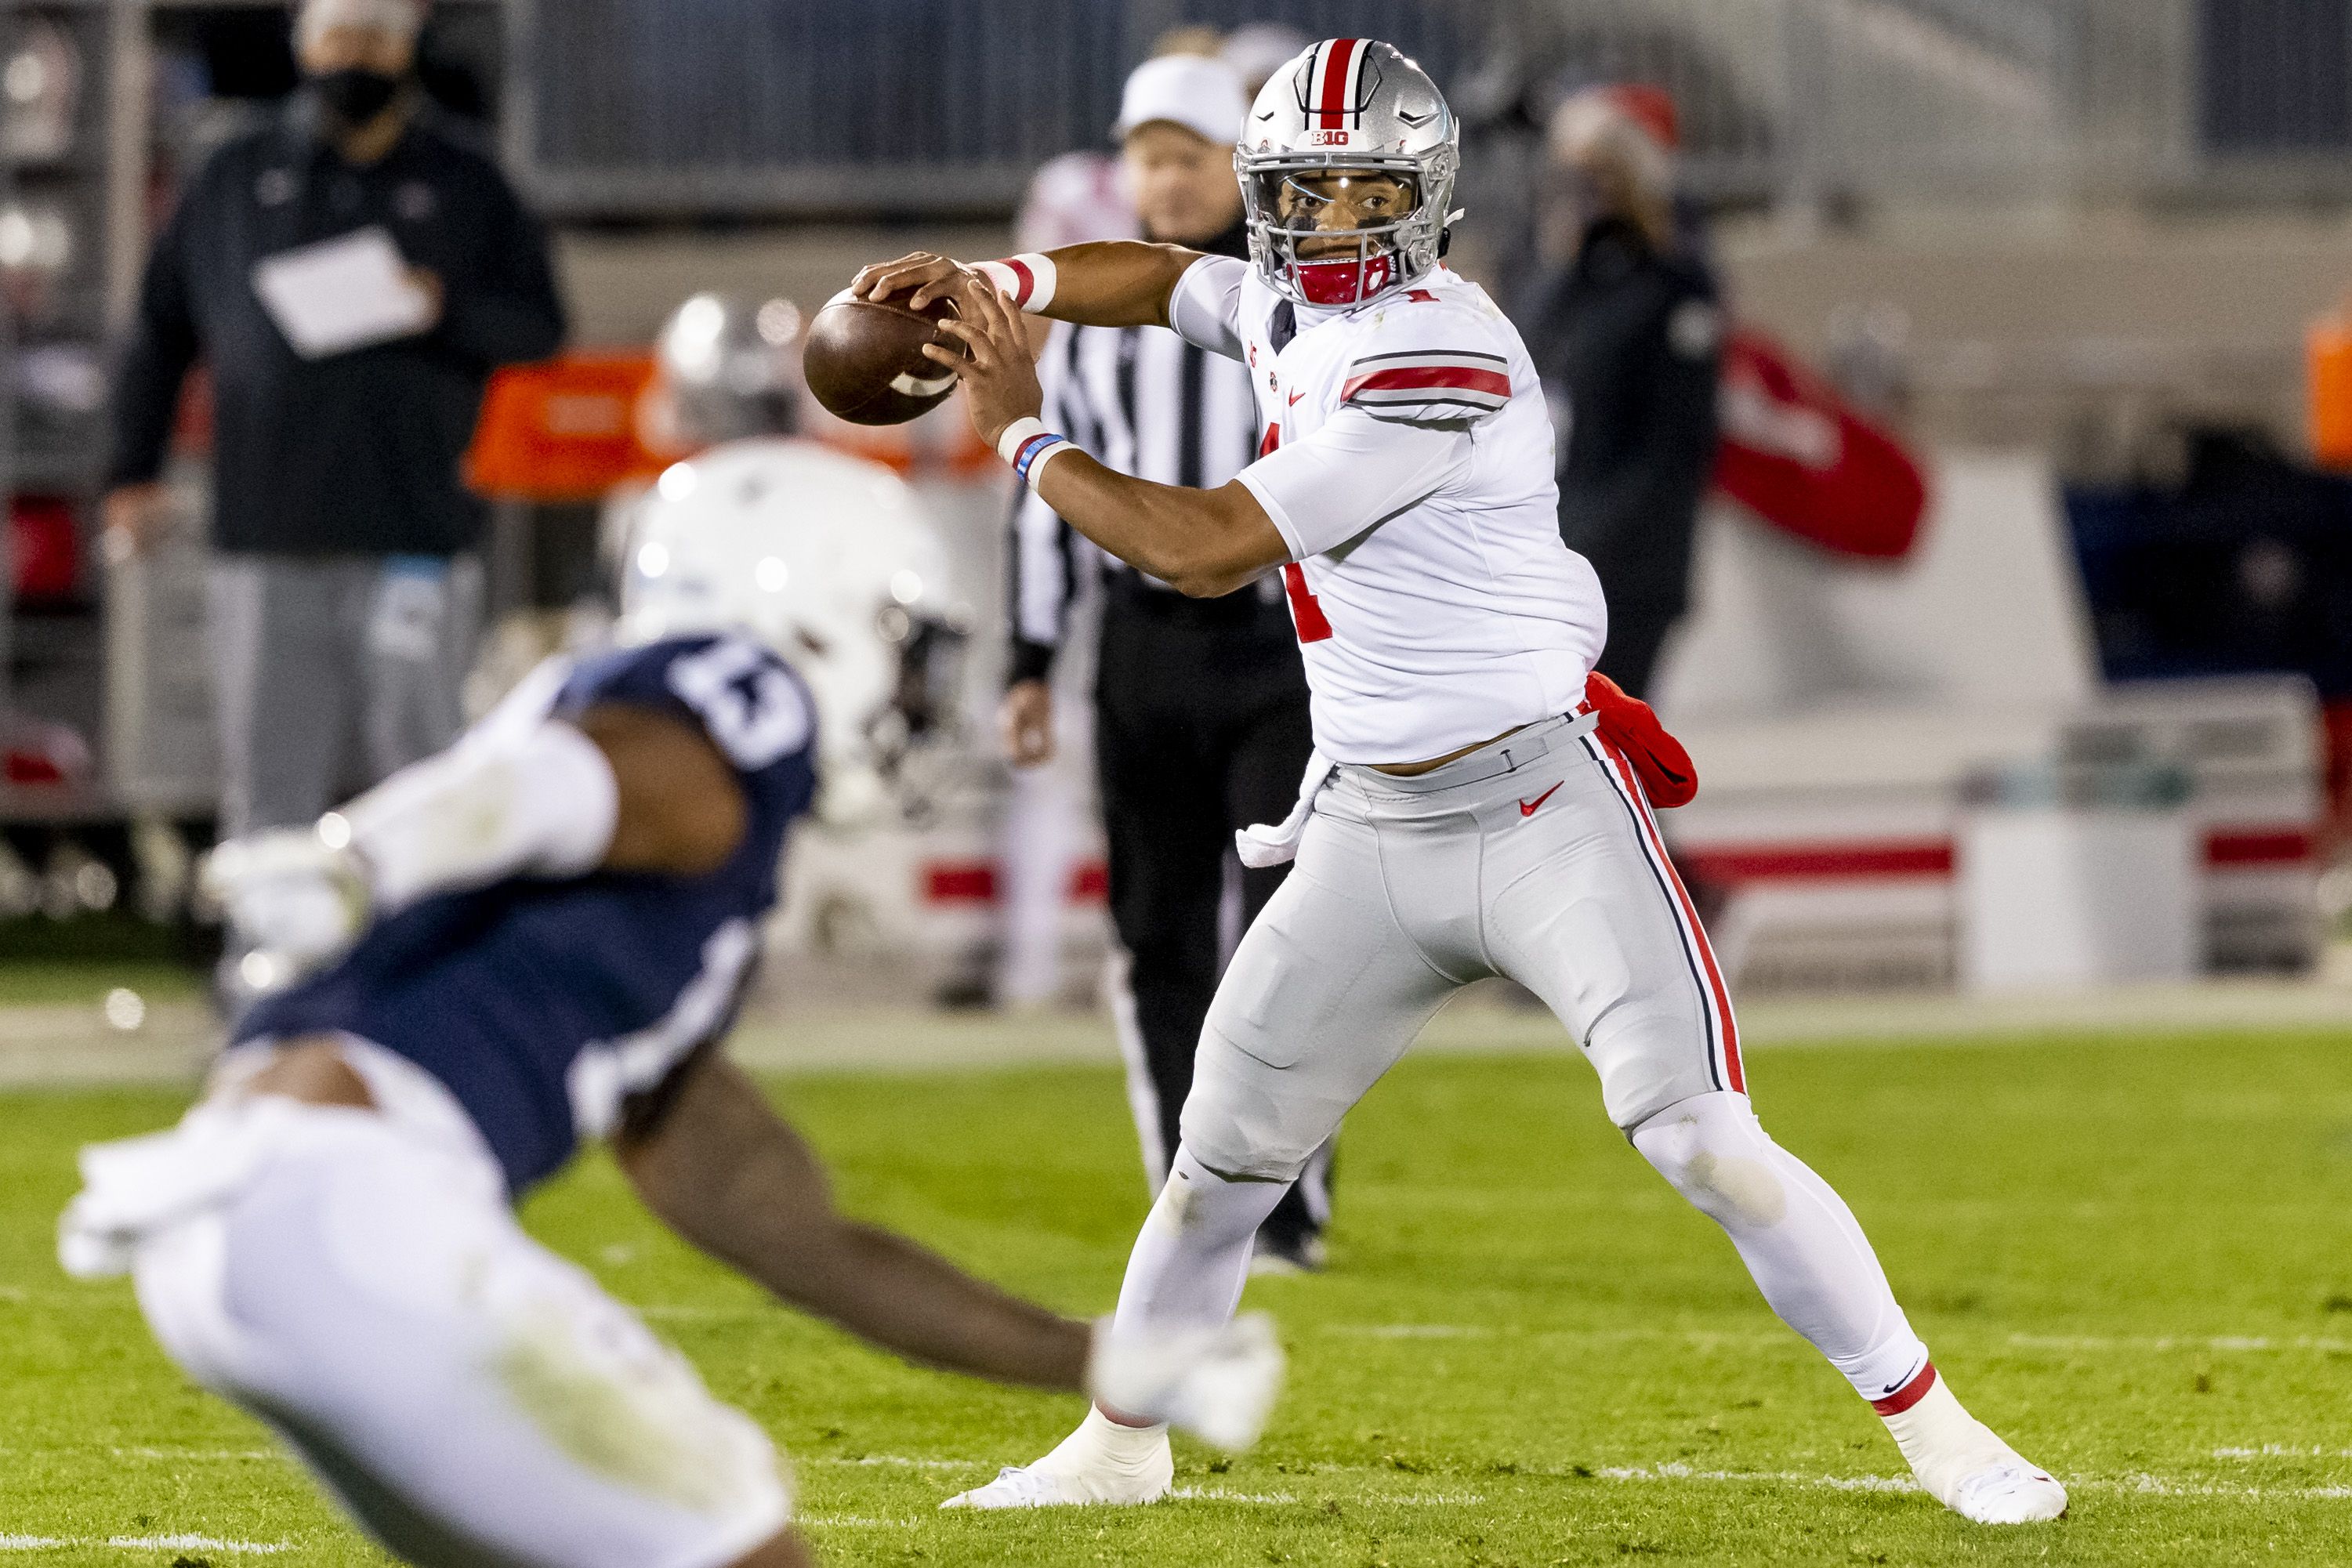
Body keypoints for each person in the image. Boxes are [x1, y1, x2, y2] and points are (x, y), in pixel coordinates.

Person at [851, 36, 2067, 1526]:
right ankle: (1123, 1442)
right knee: (1217, 1160)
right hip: (1369, 824)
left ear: (1424, 200)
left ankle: (1937, 1426)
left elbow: (1206, 544)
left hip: (1540, 807)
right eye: (1306, 192)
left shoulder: (1440, 347)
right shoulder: (1290, 304)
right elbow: (1164, 277)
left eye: (1368, 193)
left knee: (1698, 1132)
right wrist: (1006, 284)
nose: (1336, 223)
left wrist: (1026, 432)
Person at [59, 473, 1281, 1568]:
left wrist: (1103, 1363)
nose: (915, 684)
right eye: (904, 644)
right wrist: (363, 858)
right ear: (818, 616)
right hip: (347, 1204)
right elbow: (591, 780)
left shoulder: (653, 944)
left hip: (235, 1235)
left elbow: (804, 1244)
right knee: (732, 1534)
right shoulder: (731, 706)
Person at [1005, 53, 1331, 1275]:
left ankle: (1286, 1199)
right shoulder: (1087, 323)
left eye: (1188, 154)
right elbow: (1044, 496)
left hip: (1280, 642)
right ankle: (1188, 1187)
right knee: (1158, 929)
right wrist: (1030, 659)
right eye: (1149, 156)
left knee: (1289, 930)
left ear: (1235, 165)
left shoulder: (1293, 301)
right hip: (1143, 647)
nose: (1167, 176)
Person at [103, 0, 566, 840]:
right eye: (338, 39)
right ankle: (271, 965)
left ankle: (419, 965)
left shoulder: (467, 179)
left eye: (374, 41)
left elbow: (540, 327)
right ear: (306, 46)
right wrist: (132, 469)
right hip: (267, 531)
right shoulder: (234, 175)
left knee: (423, 777)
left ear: (406, 49)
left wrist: (444, 308)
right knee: (270, 780)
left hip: (415, 532)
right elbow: (160, 331)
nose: (354, 58)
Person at [1518, 86, 1723, 698]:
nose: (1583, 194)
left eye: (1600, 175)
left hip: (1630, 562)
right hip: (1562, 547)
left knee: (1609, 735)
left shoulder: (1670, 287)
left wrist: (1589, 539)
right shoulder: (1562, 286)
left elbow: (1677, 442)